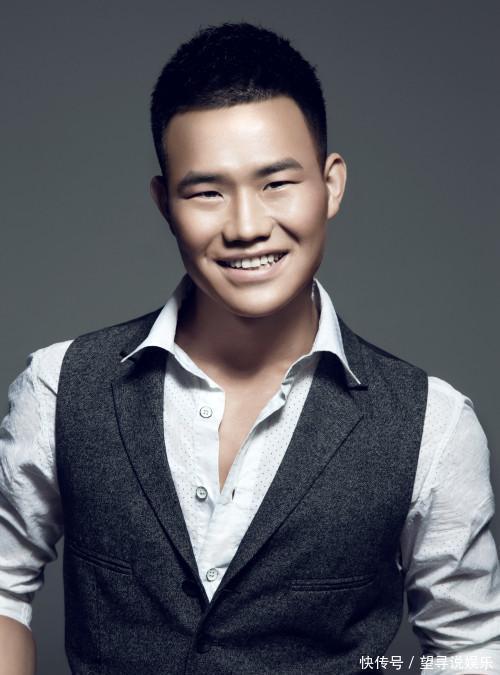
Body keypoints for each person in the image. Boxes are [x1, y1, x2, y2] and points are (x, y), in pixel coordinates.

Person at [0, 21, 499, 675]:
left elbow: (470, 648)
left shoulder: (433, 424)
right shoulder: (60, 386)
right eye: (207, 191)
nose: (245, 226)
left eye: (276, 183)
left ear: (331, 185)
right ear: (164, 203)